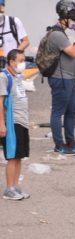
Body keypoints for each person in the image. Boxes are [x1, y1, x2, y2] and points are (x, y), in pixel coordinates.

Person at [43, 0, 75, 155]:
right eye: (73, 15)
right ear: (65, 16)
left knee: (71, 110)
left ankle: (71, 142)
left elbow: (73, 51)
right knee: (58, 112)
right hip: (60, 79)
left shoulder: (62, 33)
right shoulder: (56, 34)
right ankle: (59, 144)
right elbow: (73, 52)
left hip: (69, 78)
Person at [0, 48, 32, 200]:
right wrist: (2, 124)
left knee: (19, 156)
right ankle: (9, 188)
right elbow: (0, 103)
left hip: (22, 121)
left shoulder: (18, 76)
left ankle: (15, 186)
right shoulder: (4, 77)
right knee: (12, 156)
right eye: (20, 60)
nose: (22, 63)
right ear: (11, 62)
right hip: (12, 122)